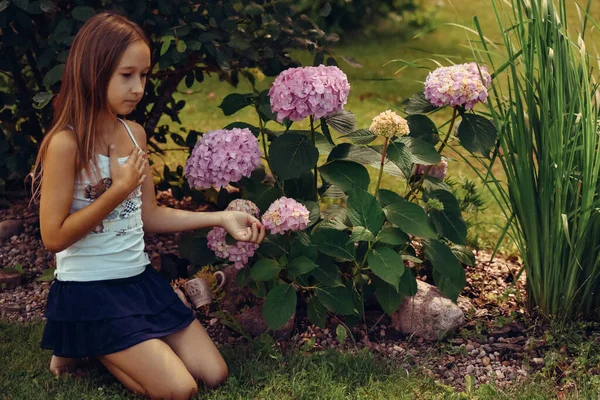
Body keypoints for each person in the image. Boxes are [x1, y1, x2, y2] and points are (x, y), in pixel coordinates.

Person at [31, 11, 266, 400]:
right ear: (94, 71)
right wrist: (116, 192)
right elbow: (53, 237)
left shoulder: (134, 133)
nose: (138, 88)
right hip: (90, 291)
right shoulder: (65, 144)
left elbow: (150, 214)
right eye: (127, 75)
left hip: (137, 282)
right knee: (179, 390)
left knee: (214, 374)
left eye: (143, 76)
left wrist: (222, 217)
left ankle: (90, 341)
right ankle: (86, 337)